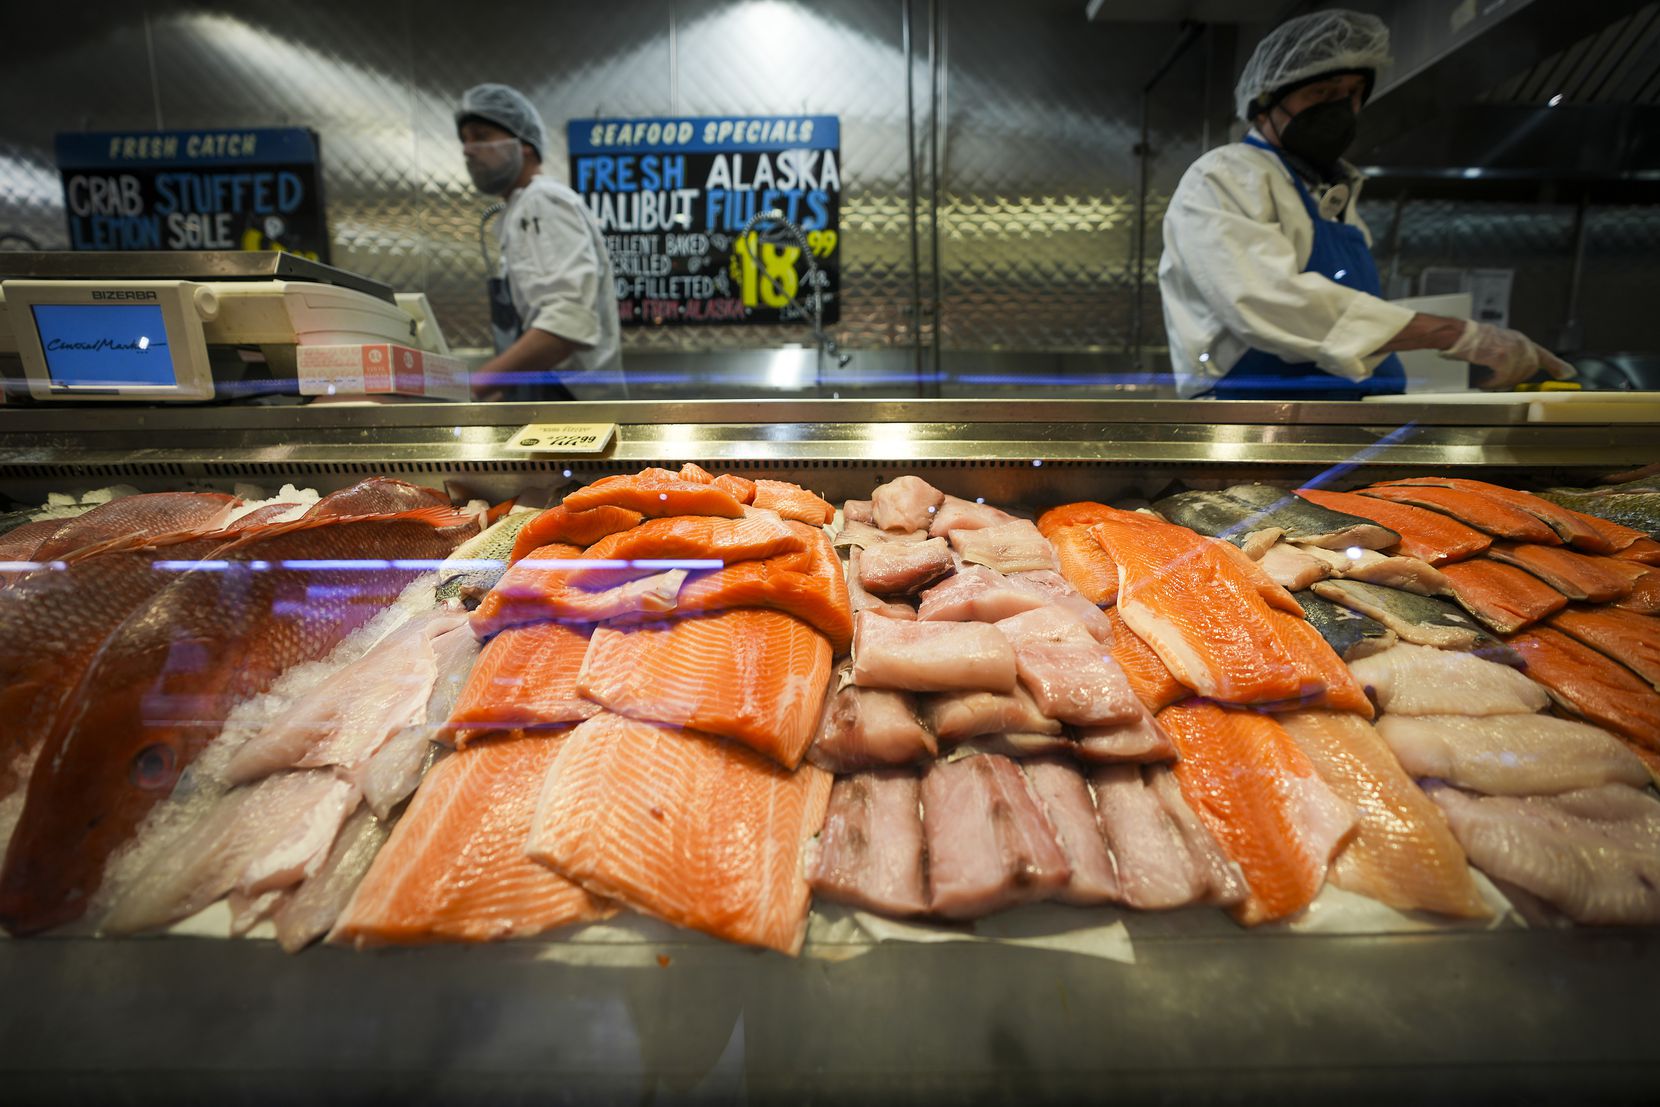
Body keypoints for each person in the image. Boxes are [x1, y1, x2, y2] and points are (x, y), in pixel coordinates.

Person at [1158, 10, 1573, 399]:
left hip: (1346, 415)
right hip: (1259, 417)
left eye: (1352, 93)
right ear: (1264, 102)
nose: (1338, 108)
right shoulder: (1225, 175)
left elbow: (1344, 325)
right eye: (1319, 92)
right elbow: (1268, 302)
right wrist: (1455, 335)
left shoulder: (1328, 190)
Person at [456, 83, 621, 399]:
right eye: (464, 139)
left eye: (481, 136)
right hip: (549, 405)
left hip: (572, 414)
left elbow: (565, 326)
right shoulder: (520, 210)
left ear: (524, 144)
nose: (467, 149)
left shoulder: (542, 202)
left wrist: (475, 386)